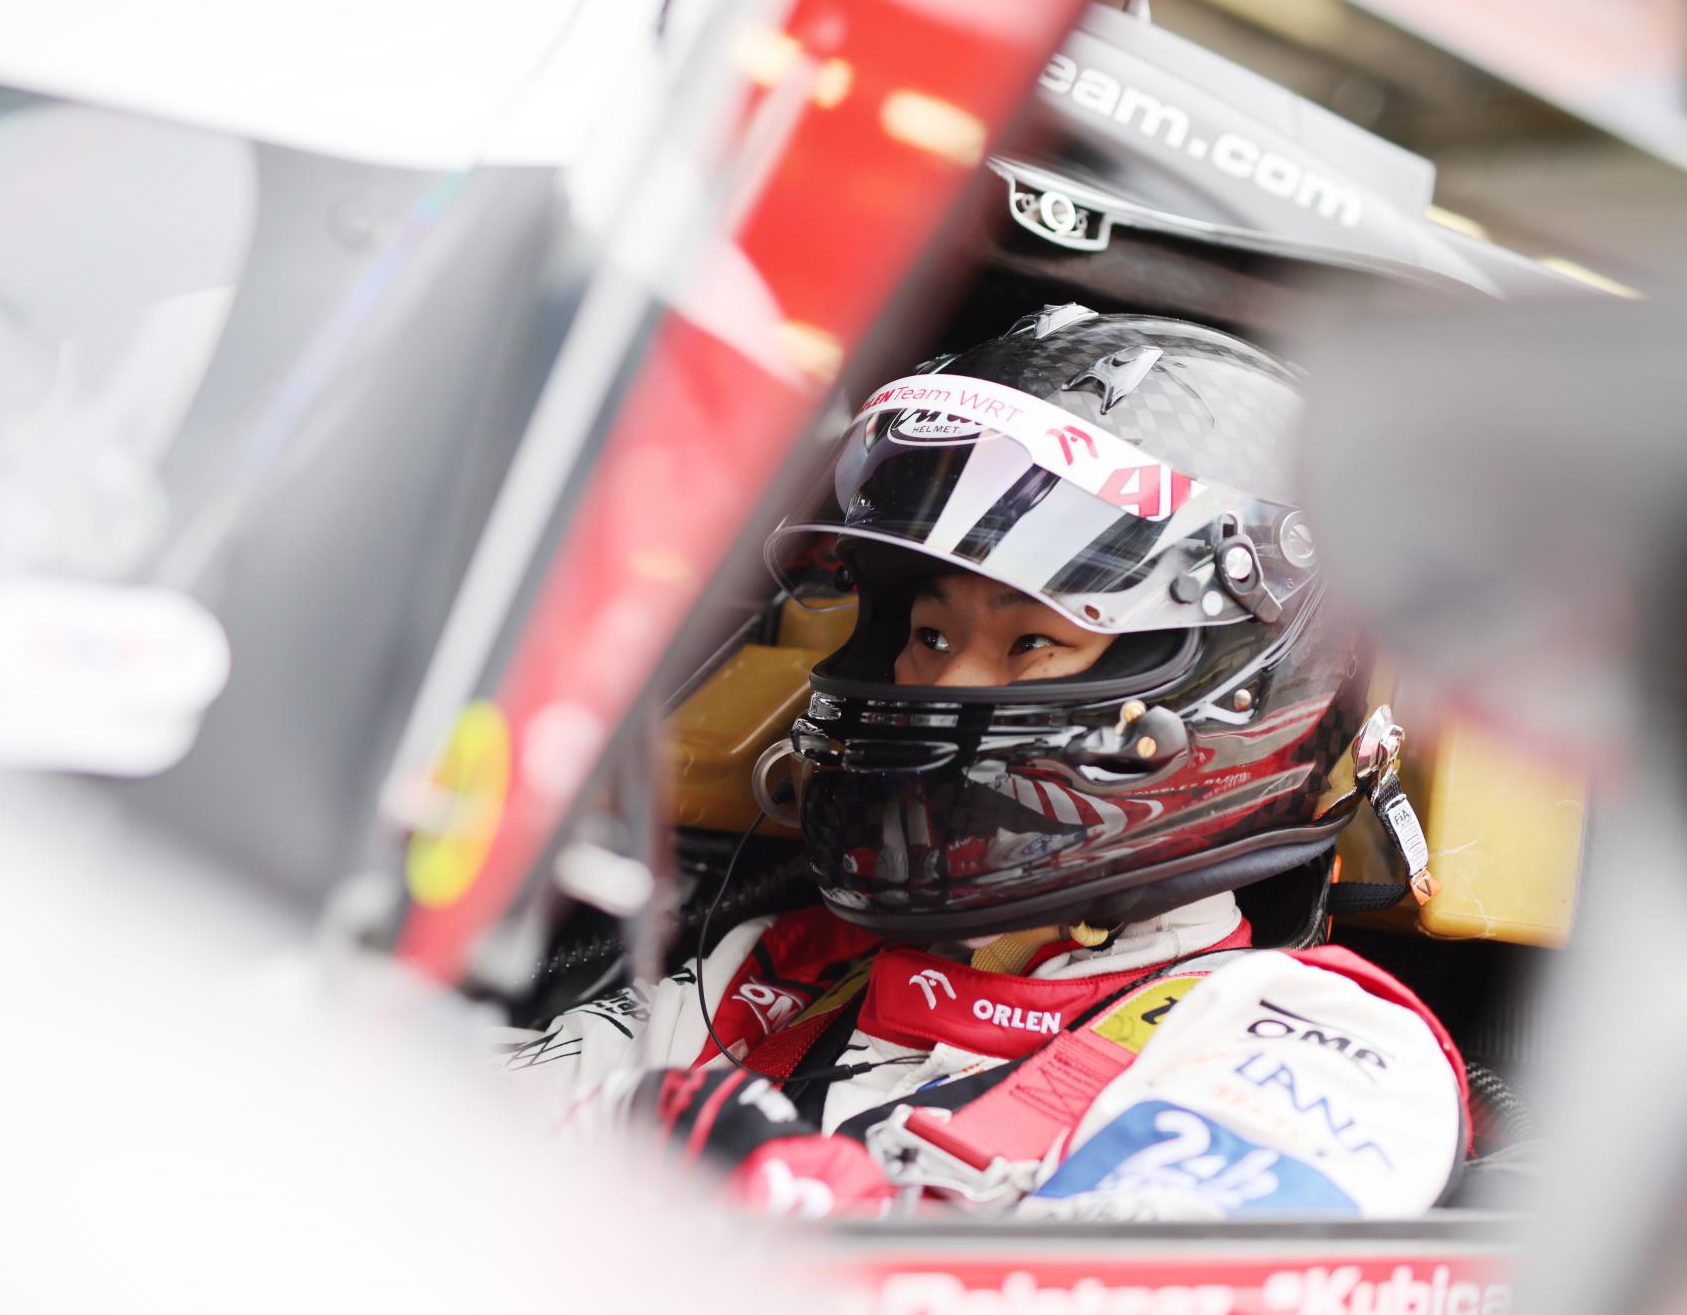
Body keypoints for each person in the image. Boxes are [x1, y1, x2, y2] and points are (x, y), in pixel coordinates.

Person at [503, 306, 1467, 1219]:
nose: (941, 689)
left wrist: (801, 1202)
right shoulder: (782, 973)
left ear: (1228, 694)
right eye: (929, 635)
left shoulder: (1314, 1042)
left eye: (1032, 642)